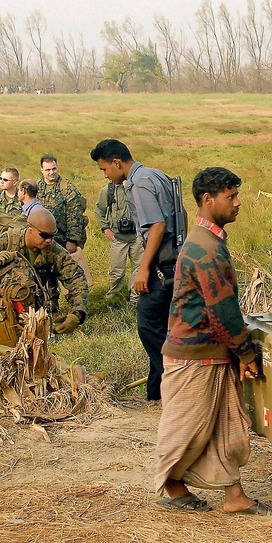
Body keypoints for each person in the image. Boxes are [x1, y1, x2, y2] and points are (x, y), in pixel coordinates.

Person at [154, 167, 272, 517]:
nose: (238, 203)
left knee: (225, 425)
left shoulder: (207, 241)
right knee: (186, 428)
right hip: (193, 354)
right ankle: (174, 487)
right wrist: (246, 354)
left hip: (209, 352)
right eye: (231, 196)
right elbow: (222, 311)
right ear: (208, 201)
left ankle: (234, 496)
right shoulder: (206, 248)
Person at [90, 139, 181, 402]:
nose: (106, 175)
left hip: (161, 266)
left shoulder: (139, 183)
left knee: (148, 325)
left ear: (116, 163)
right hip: (175, 261)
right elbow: (181, 212)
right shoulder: (156, 174)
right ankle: (156, 394)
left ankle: (174, 383)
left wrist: (143, 270)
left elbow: (157, 226)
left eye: (105, 169)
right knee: (164, 327)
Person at [0, 207, 89, 336]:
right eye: (44, 235)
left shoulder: (52, 250)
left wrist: (77, 313)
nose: (49, 240)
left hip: (32, 312)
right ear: (29, 228)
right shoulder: (6, 241)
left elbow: (75, 276)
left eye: (52, 236)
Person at [37, 154, 94, 288]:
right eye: (48, 170)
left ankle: (77, 304)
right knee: (47, 277)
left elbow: (75, 216)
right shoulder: (37, 188)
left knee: (69, 276)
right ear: (41, 170)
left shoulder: (67, 188)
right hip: (45, 241)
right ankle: (52, 305)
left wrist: (72, 240)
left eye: (54, 169)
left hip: (63, 240)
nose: (51, 172)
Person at [96, 180, 144, 304]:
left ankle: (136, 298)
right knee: (117, 270)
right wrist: (106, 229)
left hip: (137, 236)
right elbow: (99, 210)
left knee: (138, 268)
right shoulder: (109, 190)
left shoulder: (138, 187)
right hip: (118, 237)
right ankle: (113, 297)